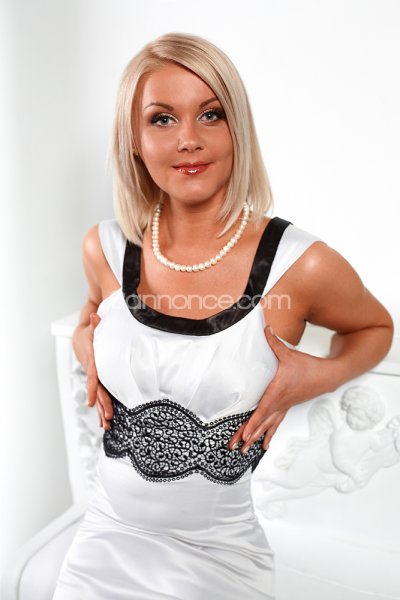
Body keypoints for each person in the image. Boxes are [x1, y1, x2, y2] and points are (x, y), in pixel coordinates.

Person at [52, 32, 394, 600]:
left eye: (211, 114)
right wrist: (84, 341)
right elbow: (95, 310)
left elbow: (376, 327)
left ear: (238, 129)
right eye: (162, 119)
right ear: (134, 140)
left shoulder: (298, 264)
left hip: (217, 558)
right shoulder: (105, 247)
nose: (188, 139)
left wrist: (321, 373)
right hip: (102, 541)